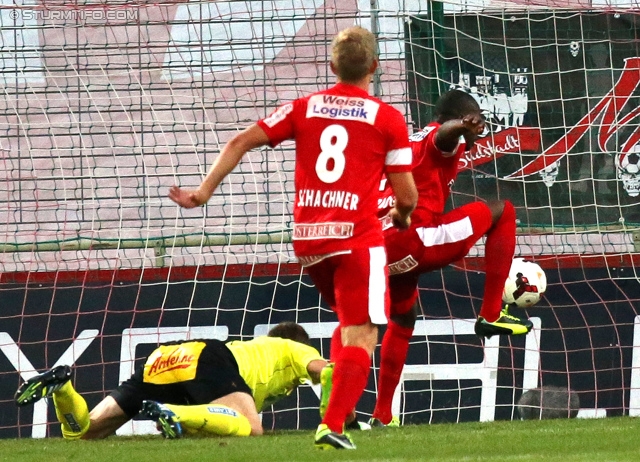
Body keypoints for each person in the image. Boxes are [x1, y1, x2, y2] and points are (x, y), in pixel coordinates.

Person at [167, 26, 417, 449]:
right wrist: (402, 213)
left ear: (332, 65)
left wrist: (202, 192)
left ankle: (337, 403)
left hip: (309, 242)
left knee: (349, 324)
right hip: (357, 238)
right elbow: (407, 193)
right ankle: (334, 423)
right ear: (375, 66)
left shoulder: (305, 106)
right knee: (364, 334)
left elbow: (241, 140)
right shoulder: (387, 118)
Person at [367, 89, 534, 426]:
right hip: (416, 237)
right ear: (462, 118)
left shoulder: (407, 142)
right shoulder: (444, 137)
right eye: (479, 126)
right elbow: (442, 139)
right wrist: (462, 126)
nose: (478, 136)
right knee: (503, 212)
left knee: (403, 318)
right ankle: (490, 314)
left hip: (382, 245)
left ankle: (382, 415)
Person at [15, 322, 327, 439]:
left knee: (84, 433)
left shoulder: (251, 350)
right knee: (252, 428)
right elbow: (325, 370)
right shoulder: (292, 346)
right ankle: (174, 411)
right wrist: (345, 418)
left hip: (165, 357)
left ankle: (63, 388)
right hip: (208, 357)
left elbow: (213, 418)